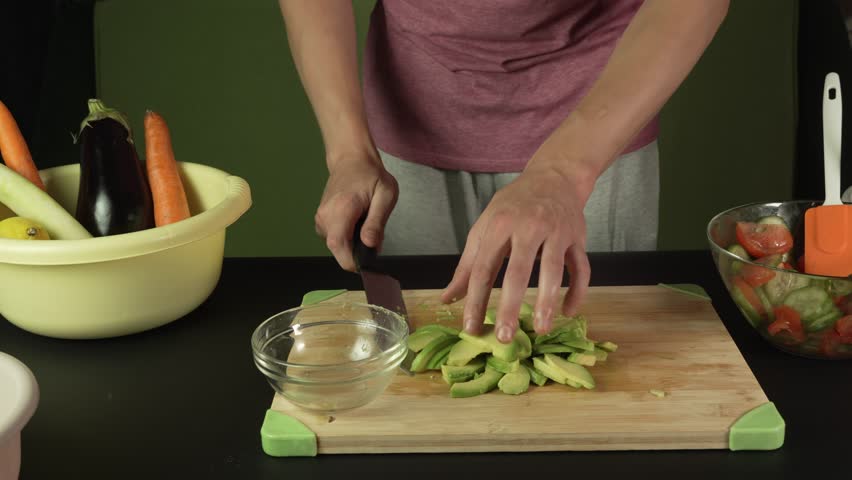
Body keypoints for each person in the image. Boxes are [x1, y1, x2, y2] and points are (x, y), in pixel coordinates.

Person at [277, 0, 730, 343]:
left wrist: (565, 171)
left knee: (601, 338)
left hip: (601, 111)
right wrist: (348, 152)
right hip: (410, 109)